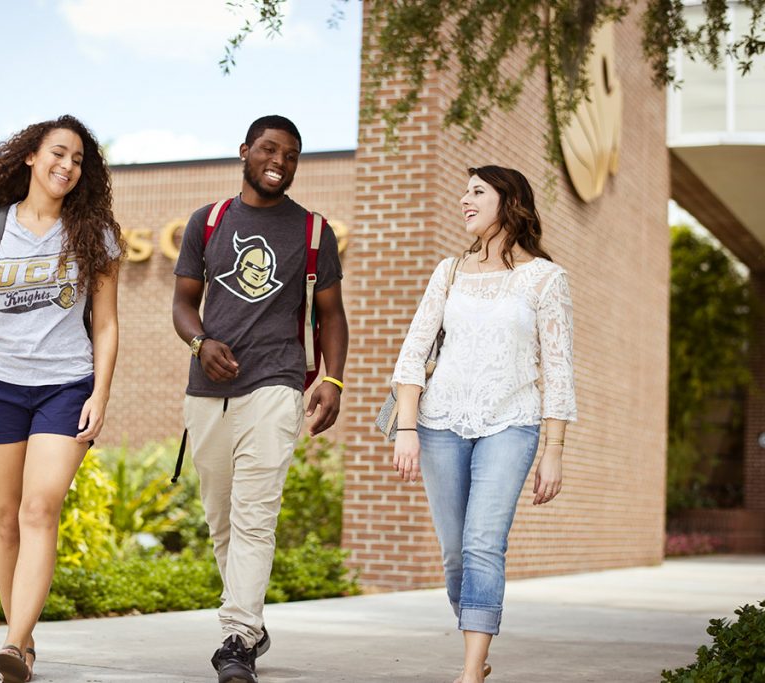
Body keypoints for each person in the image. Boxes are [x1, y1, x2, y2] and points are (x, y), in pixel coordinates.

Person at [0, 114, 123, 683]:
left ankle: (13, 645)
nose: (67, 166)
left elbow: (108, 326)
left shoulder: (96, 234)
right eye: (58, 154)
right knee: (7, 518)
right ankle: (25, 636)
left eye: (78, 160)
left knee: (41, 508)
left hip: (67, 386)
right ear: (30, 159)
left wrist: (101, 394)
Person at [172, 115, 349, 683]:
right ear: (245, 151)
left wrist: (334, 380)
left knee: (254, 517)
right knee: (222, 520)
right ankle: (247, 619)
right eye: (270, 149)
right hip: (208, 392)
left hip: (277, 385)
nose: (280, 161)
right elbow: (182, 305)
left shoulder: (313, 231)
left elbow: (330, 315)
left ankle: (238, 638)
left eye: (292, 154)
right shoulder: (210, 220)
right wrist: (200, 344)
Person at [389, 166, 576, 682]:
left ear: (508, 201)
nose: (464, 199)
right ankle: (479, 644)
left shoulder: (545, 278)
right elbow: (413, 354)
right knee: (455, 554)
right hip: (440, 424)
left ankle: (470, 672)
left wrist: (553, 450)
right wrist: (407, 428)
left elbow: (558, 370)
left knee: (482, 543)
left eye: (477, 191)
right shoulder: (448, 272)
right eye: (464, 191)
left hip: (511, 424)